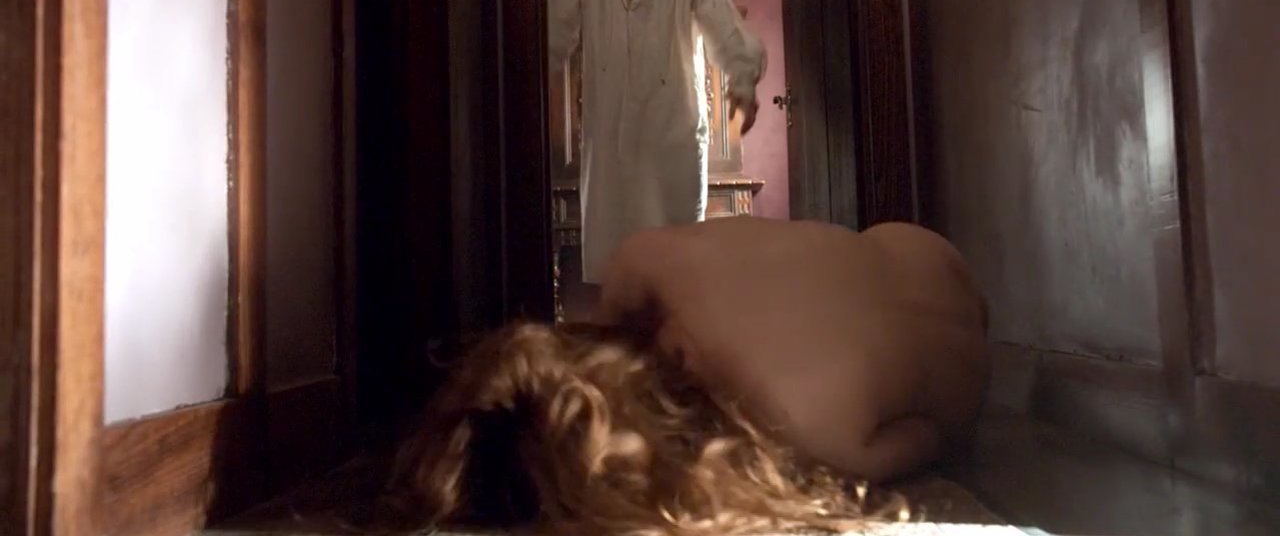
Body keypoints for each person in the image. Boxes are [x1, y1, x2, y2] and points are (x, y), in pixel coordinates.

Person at [381, 217, 990, 535]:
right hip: (922, 243)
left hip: (975, 369)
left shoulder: (800, 431)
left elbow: (936, 437)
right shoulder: (644, 261)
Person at [548, 0, 766, 293]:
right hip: (611, 144)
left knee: (677, 269)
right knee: (617, 273)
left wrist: (743, 80)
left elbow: (725, 25)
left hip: (672, 137)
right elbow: (545, 33)